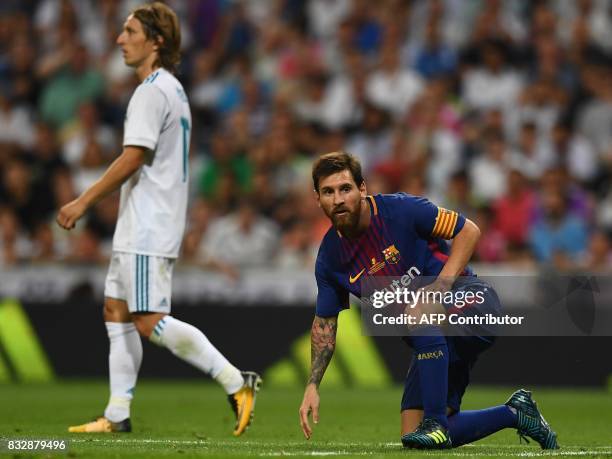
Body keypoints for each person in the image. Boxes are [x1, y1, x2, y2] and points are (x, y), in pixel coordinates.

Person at [56, 2, 260, 436]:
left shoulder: (152, 90)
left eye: (130, 31)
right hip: (140, 219)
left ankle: (235, 381)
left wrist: (82, 201)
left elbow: (134, 156)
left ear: (157, 41)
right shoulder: (170, 87)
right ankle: (117, 414)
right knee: (116, 310)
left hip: (150, 222)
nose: (119, 39)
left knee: (148, 319)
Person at [298, 151, 558, 450]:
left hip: (471, 301)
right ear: (318, 199)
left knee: (419, 311)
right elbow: (324, 326)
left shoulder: (402, 209)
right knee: (414, 437)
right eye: (328, 192)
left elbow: (469, 231)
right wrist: (312, 386)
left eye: (345, 188)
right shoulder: (330, 258)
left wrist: (439, 287)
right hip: (434, 339)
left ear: (362, 189)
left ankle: (435, 421)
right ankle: (515, 413)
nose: (338, 199)